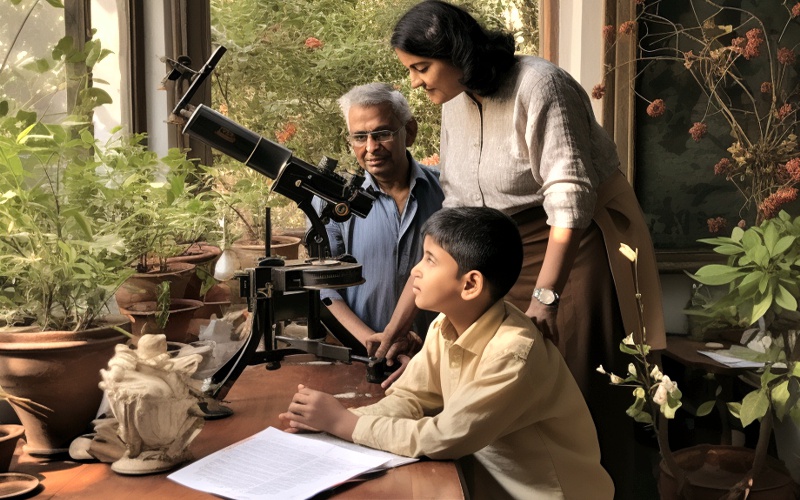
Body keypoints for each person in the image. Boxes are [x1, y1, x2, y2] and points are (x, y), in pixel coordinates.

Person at [378, 2, 667, 497]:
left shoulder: (540, 85)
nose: (416, 83)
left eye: (421, 68)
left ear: (456, 53)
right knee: (493, 386)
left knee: (574, 381)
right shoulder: (453, 102)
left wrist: (547, 296)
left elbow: (570, 197)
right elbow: (457, 215)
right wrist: (401, 320)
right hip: (495, 252)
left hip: (572, 248)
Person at [280, 207, 614, 499]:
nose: (415, 271)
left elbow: (444, 437)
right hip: (491, 486)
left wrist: (344, 423)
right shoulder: (445, 324)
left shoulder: (513, 354)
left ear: (470, 285)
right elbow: (412, 396)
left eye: (429, 260)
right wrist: (337, 421)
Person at [313, 82, 443, 359]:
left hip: (436, 354)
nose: (371, 148)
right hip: (358, 351)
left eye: (382, 133)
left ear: (409, 132)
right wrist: (371, 341)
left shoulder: (448, 191)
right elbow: (324, 284)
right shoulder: (330, 202)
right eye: (359, 137)